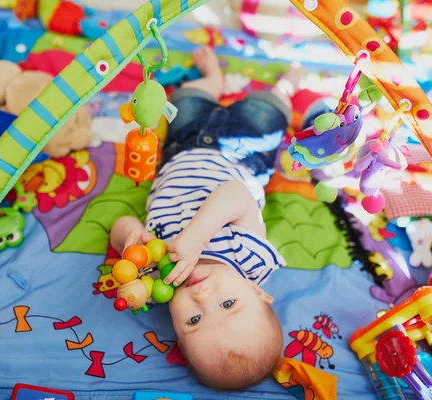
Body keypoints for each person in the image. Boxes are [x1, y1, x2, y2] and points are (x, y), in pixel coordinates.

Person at [111, 46, 306, 390]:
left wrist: (130, 239)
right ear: (258, 293)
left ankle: (212, 79)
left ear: (177, 331)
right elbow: (235, 193)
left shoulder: (158, 274)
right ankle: (287, 88)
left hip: (182, 150)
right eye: (228, 304)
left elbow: (120, 225)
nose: (203, 298)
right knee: (270, 111)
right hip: (246, 151)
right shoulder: (247, 260)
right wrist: (198, 236)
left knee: (185, 99)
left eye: (195, 320)